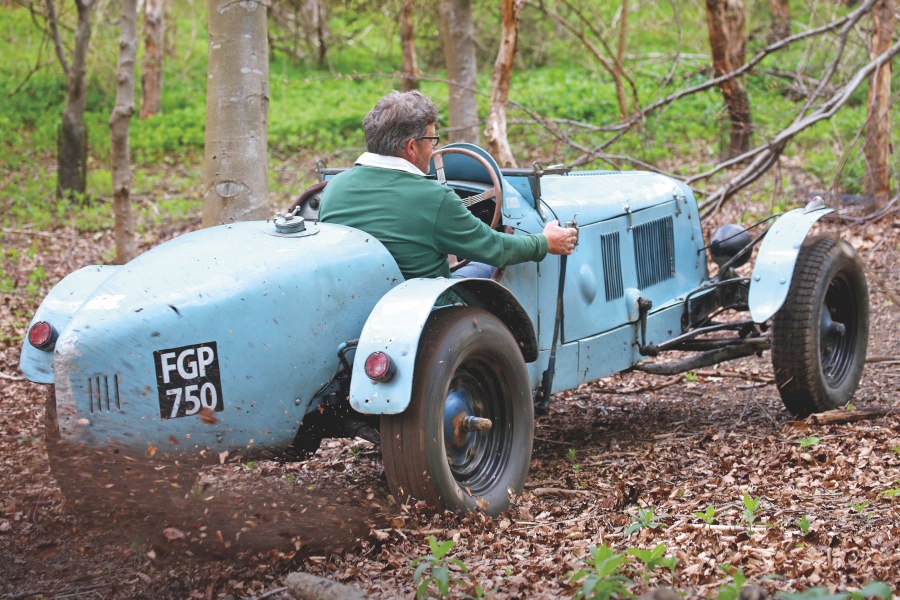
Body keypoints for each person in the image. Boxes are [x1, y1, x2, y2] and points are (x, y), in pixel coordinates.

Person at [318, 90, 577, 280]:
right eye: (432, 141)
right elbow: (496, 249)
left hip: (357, 303)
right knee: (483, 268)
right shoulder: (434, 198)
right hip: (423, 312)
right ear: (411, 147)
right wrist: (544, 242)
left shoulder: (333, 189)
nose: (434, 149)